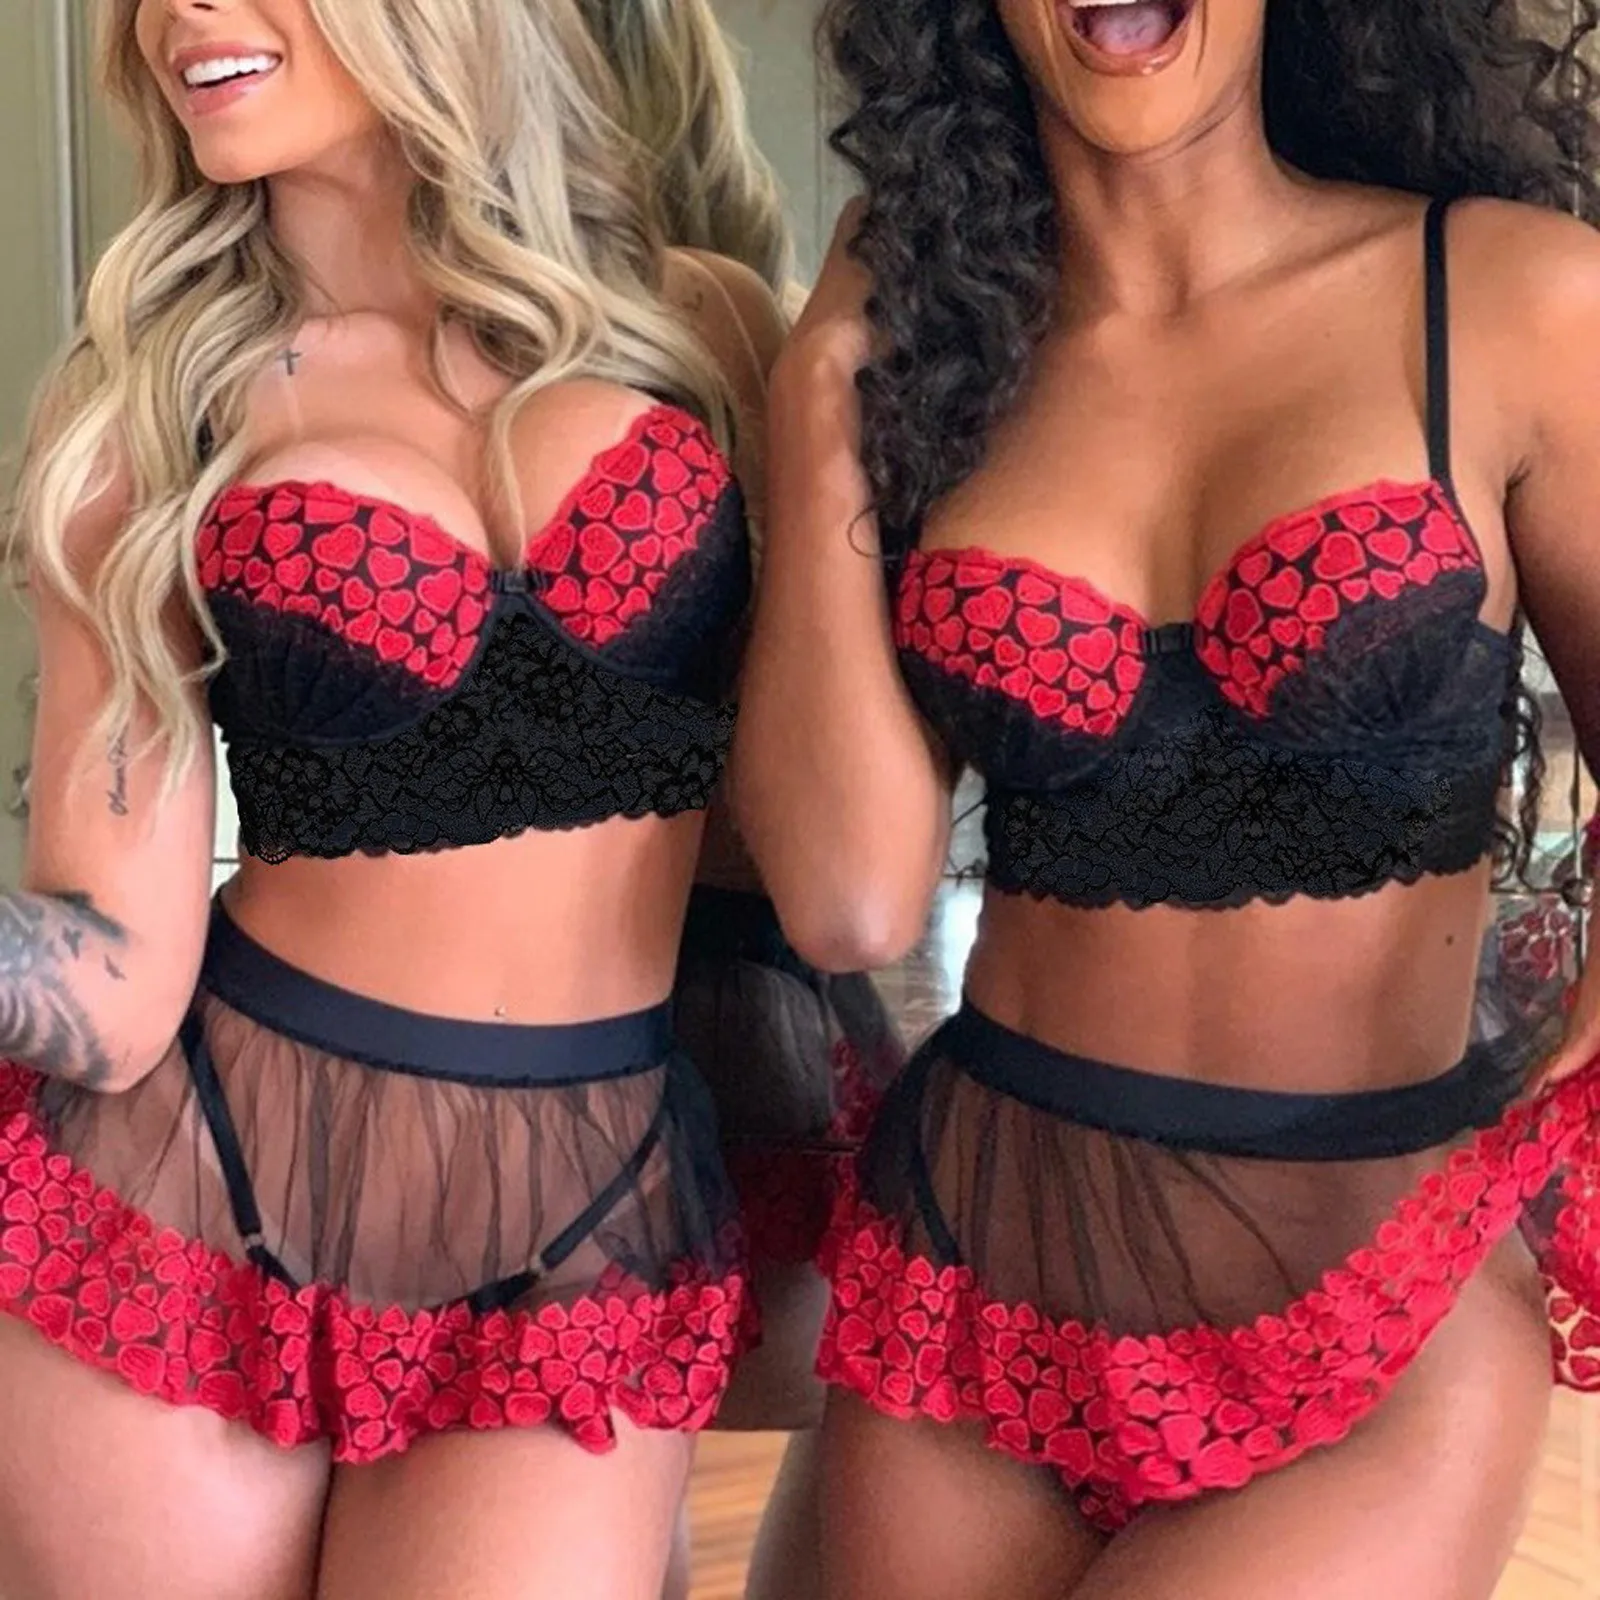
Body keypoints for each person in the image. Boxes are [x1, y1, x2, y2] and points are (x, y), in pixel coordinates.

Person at [735, 1, 1600, 1595]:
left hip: (1375, 1303)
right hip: (978, 1284)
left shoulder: (1511, 298)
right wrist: (816, 405)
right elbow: (852, 900)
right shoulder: (949, 353)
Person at [0, 1, 781, 1596]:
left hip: (585, 1212)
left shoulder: (701, 330)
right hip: (197, 1194)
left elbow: (789, 830)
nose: (178, 15)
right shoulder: (146, 410)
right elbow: (119, 987)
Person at [577, 6, 905, 1597]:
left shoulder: (697, 324)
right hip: (722, 993)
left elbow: (781, 781)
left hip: (688, 1009)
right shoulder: (734, 325)